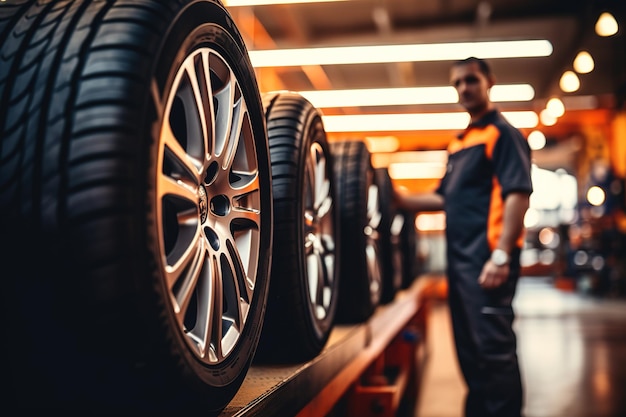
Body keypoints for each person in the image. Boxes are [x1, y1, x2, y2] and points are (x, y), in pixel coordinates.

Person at [395, 56, 532, 417]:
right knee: (469, 351)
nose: (464, 89)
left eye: (471, 80)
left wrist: (501, 256)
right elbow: (442, 197)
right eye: (457, 83)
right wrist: (398, 198)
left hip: (488, 262)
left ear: (490, 82)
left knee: (493, 352)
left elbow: (518, 193)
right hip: (461, 265)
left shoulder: (502, 135)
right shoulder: (459, 144)